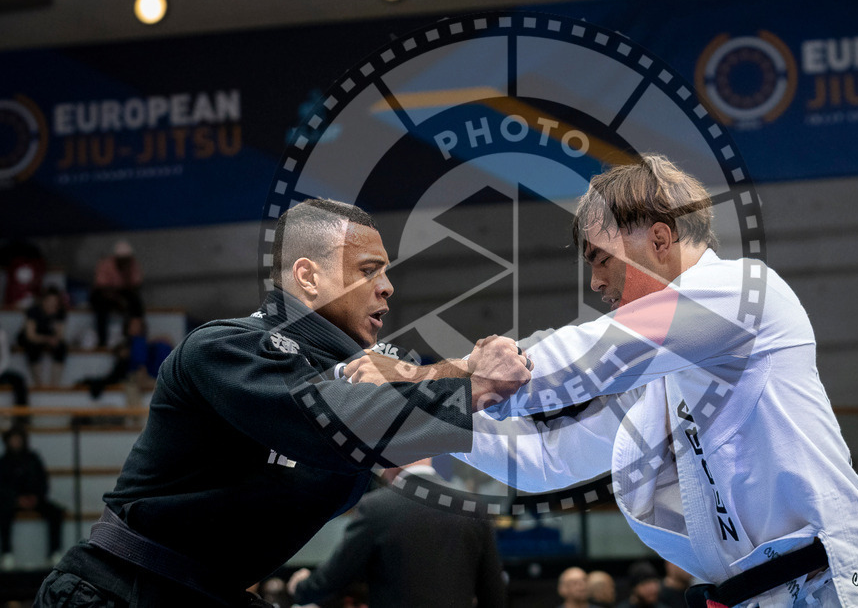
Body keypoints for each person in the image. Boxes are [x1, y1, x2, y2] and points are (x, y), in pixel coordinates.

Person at [457, 155, 858, 607]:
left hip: (843, 587)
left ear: (660, 239)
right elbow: (549, 457)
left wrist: (453, 381)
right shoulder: (660, 380)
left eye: (601, 259)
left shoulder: (745, 292)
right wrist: (430, 419)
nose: (596, 283)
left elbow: (591, 356)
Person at [36, 199, 532, 607]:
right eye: (368, 271)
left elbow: (405, 389)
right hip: (115, 589)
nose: (387, 286)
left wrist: (470, 368)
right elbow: (332, 422)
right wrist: (473, 383)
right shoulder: (224, 348)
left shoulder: (363, 372)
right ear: (309, 277)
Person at [286, 457, 505, 608]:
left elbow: (336, 576)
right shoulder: (474, 508)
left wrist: (301, 587)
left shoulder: (377, 507)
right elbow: (494, 595)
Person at [0, 425, 65, 570]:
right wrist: (16, 500)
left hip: (35, 499)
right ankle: (6, 553)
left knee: (56, 512)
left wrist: (35, 497)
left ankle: (54, 552)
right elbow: (2, 487)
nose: (16, 442)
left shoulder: (33, 459)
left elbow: (42, 481)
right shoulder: (4, 462)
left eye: (18, 439)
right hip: (12, 502)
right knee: (3, 513)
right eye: (13, 439)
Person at [89, 240, 144, 348]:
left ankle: (135, 337)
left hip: (122, 292)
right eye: (122, 260)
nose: (125, 262)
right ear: (116, 258)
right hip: (105, 294)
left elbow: (136, 285)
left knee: (136, 302)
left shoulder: (132, 264)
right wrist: (118, 300)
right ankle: (102, 340)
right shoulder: (106, 264)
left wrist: (127, 275)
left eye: (126, 259)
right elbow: (102, 287)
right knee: (101, 306)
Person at [17, 286, 68, 387]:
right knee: (32, 347)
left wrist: (55, 338)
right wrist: (47, 339)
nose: (51, 304)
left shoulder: (60, 312)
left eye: (55, 302)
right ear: (44, 301)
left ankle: (55, 384)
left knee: (62, 347)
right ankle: (39, 383)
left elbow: (60, 334)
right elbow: (30, 335)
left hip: (47, 337)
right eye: (49, 301)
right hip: (32, 338)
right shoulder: (34, 311)